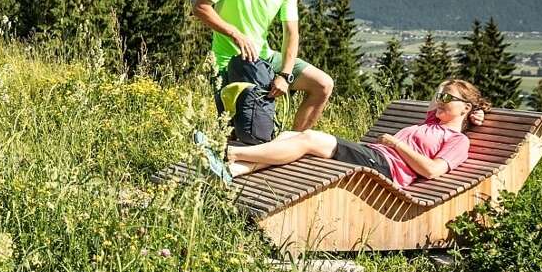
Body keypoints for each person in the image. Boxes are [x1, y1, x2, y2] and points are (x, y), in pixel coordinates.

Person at [200, 79, 489, 184]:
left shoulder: (457, 140)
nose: (440, 101)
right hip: (376, 156)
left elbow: (432, 171)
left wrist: (395, 144)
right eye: (439, 95)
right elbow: (438, 107)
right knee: (290, 137)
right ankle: (233, 172)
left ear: (464, 108)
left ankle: (228, 151)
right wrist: (473, 109)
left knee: (310, 138)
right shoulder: (432, 123)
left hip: (386, 167)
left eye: (448, 98)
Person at [193, 0, 335, 131]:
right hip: (227, 64)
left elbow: (291, 33)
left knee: (323, 85)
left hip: (264, 58)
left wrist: (285, 75)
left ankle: (292, 144)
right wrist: (235, 34)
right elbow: (200, 7)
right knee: (238, 133)